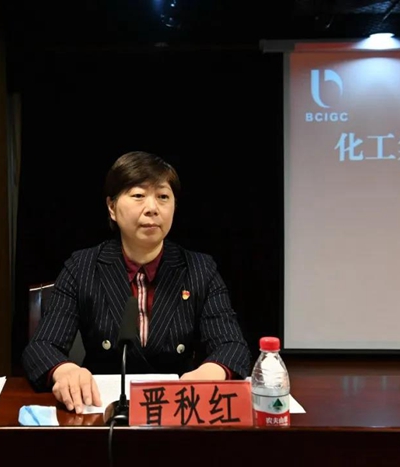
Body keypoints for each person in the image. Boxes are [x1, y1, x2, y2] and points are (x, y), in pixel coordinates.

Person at [22, 151, 251, 414]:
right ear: (112, 207)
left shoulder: (199, 269)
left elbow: (232, 346)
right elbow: (42, 346)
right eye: (138, 195)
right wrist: (65, 371)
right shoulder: (82, 267)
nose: (152, 208)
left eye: (163, 197)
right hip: (102, 411)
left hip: (176, 411)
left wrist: (211, 372)